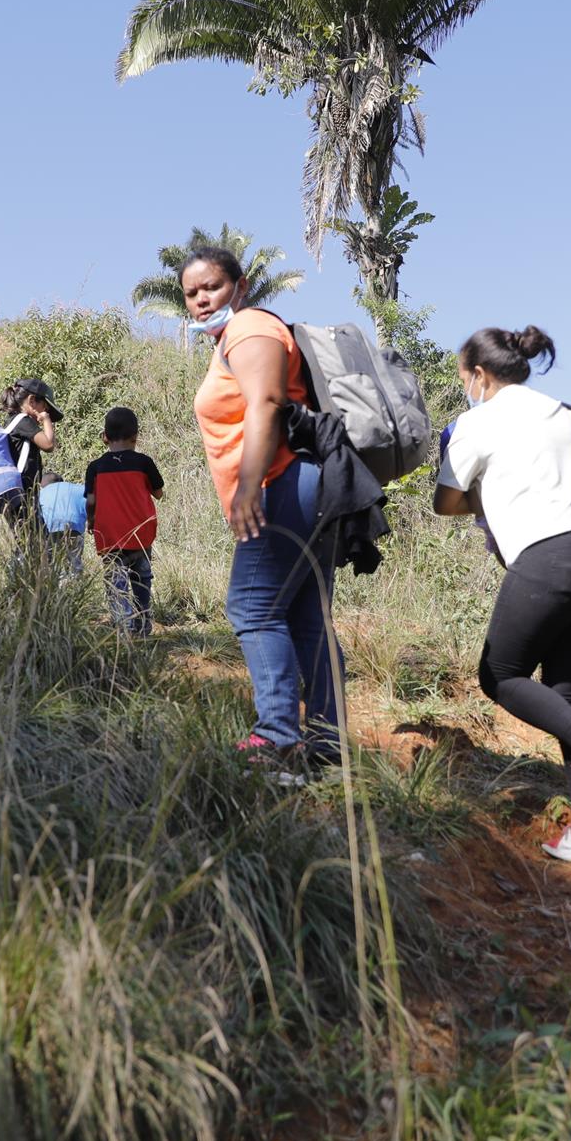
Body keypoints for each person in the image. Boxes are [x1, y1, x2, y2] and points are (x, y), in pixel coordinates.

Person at [433, 325, 571, 871]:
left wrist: (487, 492)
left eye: (465, 377)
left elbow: (446, 501)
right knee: (563, 692)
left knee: (500, 674)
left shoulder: (477, 422)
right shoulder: (563, 414)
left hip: (553, 556)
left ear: (479, 374)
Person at [183, 245, 341, 781]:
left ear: (240, 285)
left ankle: (277, 739)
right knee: (305, 619)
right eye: (192, 293)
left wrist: (249, 487)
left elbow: (267, 403)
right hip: (305, 484)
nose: (202, 300)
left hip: (283, 482)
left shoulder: (250, 328)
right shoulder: (236, 335)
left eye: (212, 287)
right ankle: (326, 748)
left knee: (252, 608)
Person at [84, 405, 163, 636]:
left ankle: (123, 630)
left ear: (105, 437)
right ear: (135, 436)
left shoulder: (95, 468)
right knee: (141, 581)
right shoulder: (143, 462)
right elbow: (158, 493)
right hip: (141, 535)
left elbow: (90, 501)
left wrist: (92, 522)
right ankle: (143, 626)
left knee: (116, 585)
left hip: (109, 536)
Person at [0, 378, 61, 529]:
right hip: (22, 495)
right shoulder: (23, 421)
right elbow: (48, 445)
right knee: (32, 541)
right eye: (44, 407)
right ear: (32, 400)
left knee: (31, 541)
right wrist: (46, 420)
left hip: (18, 493)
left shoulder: (14, 420)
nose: (45, 412)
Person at [36, 472, 88, 576]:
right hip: (73, 529)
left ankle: (56, 587)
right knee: (74, 563)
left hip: (49, 530)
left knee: (51, 567)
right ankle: (74, 587)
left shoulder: (38, 494)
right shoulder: (78, 489)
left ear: (42, 485)